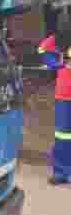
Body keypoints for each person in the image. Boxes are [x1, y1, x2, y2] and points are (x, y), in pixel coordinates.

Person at [39, 13, 71, 186]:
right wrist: (58, 62)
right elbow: (42, 50)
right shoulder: (62, 37)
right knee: (63, 136)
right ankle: (61, 172)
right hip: (65, 95)